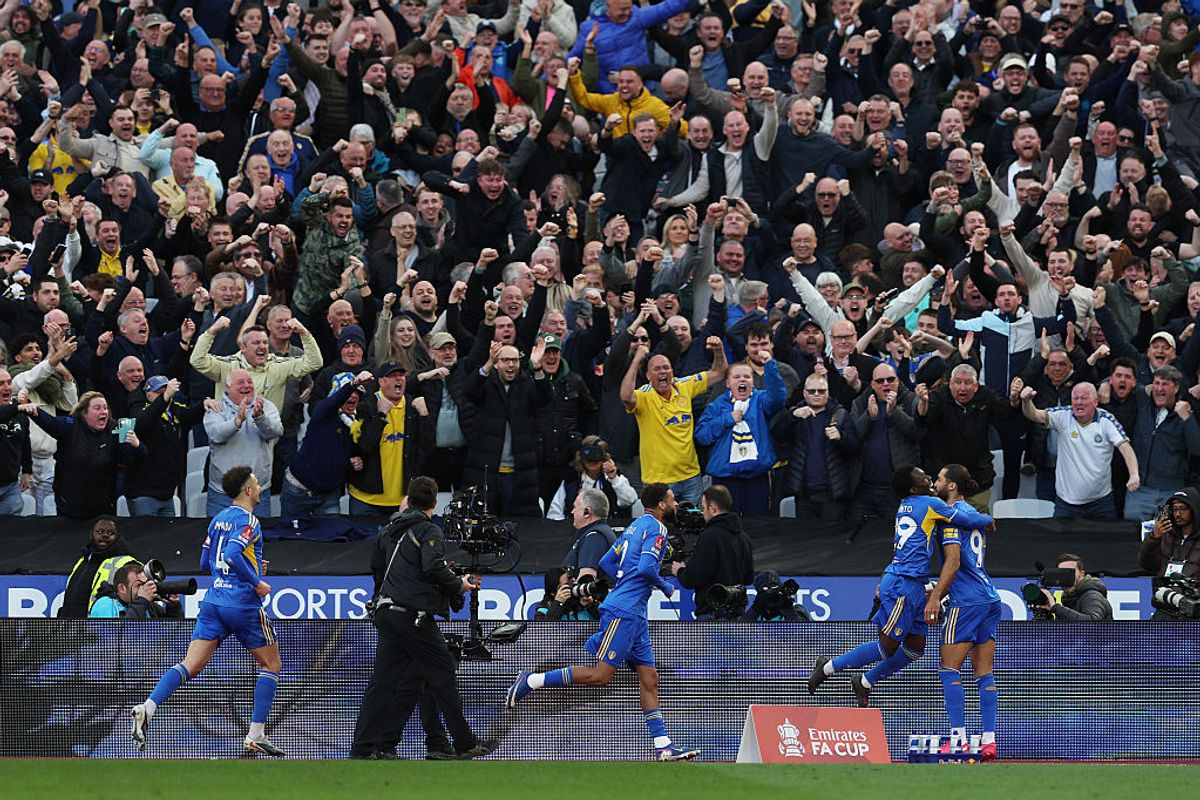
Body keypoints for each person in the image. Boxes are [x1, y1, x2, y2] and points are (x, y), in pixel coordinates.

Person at [505, 483, 700, 761]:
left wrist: (624, 580)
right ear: (661, 504)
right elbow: (646, 568)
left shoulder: (633, 527)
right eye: (671, 499)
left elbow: (607, 562)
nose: (675, 504)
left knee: (650, 679)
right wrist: (664, 585)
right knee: (600, 676)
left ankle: (663, 746)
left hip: (634, 613)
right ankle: (531, 680)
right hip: (625, 611)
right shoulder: (658, 529)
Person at [808, 466, 993, 707]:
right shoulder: (930, 503)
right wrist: (988, 519)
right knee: (886, 647)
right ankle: (828, 666)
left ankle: (865, 681)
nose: (928, 477)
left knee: (915, 648)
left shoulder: (906, 503)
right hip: (902, 585)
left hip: (913, 584)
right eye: (923, 477)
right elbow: (967, 519)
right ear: (914, 488)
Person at [131, 467, 284, 757]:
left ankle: (147, 707)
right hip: (242, 603)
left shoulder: (217, 519)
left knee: (190, 664)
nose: (260, 489)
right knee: (271, 664)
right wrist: (256, 581)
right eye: (256, 484)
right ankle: (256, 734)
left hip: (214, 602)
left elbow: (206, 562)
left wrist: (250, 567)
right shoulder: (249, 520)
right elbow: (232, 554)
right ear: (248, 490)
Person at [351, 476, 496, 761]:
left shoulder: (390, 531)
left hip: (387, 612)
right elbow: (431, 567)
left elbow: (379, 568)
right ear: (434, 502)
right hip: (413, 617)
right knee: (444, 673)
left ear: (408, 499)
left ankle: (363, 748)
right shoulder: (429, 529)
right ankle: (465, 743)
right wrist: (458, 584)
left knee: (383, 683)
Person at [925, 464, 1000, 763]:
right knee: (984, 673)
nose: (935, 483)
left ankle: (959, 740)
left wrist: (936, 597)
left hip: (966, 603)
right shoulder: (973, 513)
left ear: (952, 486)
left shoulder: (951, 516)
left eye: (940, 479)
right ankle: (989, 741)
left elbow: (954, 562)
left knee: (949, 670)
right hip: (989, 599)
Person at [622, 336, 727, 506]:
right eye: (657, 369)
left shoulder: (684, 386)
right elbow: (626, 396)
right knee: (661, 523)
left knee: (692, 521)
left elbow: (719, 373)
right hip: (658, 483)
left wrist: (718, 350)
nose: (662, 372)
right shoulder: (643, 396)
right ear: (648, 375)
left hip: (691, 477)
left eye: (666, 368)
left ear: (672, 372)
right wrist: (637, 360)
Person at [1019, 382, 1139, 518]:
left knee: (1108, 533)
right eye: (1075, 398)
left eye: (1084, 398)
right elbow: (1034, 415)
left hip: (1101, 503)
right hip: (1066, 504)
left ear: (1095, 402)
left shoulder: (1107, 420)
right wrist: (1026, 401)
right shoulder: (1063, 416)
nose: (1079, 402)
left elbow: (1125, 448)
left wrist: (1134, 474)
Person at [670, 484, 754, 620]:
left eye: (703, 508)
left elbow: (691, 578)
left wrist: (680, 571)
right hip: (736, 616)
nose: (702, 513)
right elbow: (748, 578)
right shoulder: (743, 537)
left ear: (713, 508)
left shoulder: (709, 536)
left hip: (711, 615)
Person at [1139, 488, 1200, 619]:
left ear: (1194, 510)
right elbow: (1147, 565)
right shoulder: (1166, 535)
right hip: (1164, 608)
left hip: (1193, 612)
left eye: (1183, 509)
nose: (1178, 514)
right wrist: (1154, 537)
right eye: (1174, 509)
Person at [60, 517, 136, 619]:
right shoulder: (83, 560)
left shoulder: (126, 563)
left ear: (117, 536)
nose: (105, 535)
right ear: (91, 534)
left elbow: (135, 597)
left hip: (102, 625)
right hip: (72, 624)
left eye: (110, 533)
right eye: (100, 532)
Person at [1028, 553, 1114, 621]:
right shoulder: (1069, 598)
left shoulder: (1092, 595)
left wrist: (1056, 608)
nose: (1066, 577)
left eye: (1070, 572)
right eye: (1062, 573)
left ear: (1081, 574)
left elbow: (1094, 624)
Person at [89, 560, 183, 620]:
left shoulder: (147, 606)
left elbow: (172, 632)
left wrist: (174, 608)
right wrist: (142, 601)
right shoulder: (105, 604)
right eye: (139, 585)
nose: (144, 589)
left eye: (145, 584)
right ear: (122, 588)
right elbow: (116, 637)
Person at [562, 488, 618, 580]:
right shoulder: (600, 532)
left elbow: (587, 577)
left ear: (587, 512)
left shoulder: (594, 537)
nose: (572, 512)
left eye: (575, 507)